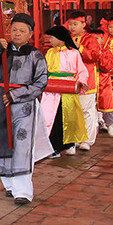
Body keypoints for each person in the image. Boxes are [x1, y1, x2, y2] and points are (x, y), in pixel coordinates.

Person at [0, 13, 51, 204]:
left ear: (30, 34)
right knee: (0, 140)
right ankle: (9, 185)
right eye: (14, 30)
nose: (17, 33)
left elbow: (41, 82)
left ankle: (23, 191)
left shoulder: (35, 55)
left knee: (21, 145)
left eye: (22, 30)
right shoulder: (2, 52)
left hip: (24, 106)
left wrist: (16, 95)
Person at [41, 26, 89, 157]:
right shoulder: (50, 52)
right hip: (52, 88)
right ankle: (53, 147)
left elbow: (82, 70)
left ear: (60, 38)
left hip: (68, 88)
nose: (50, 40)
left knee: (69, 117)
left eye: (52, 37)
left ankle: (70, 144)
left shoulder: (74, 53)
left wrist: (81, 82)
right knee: (51, 117)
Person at [67, 10, 101, 151]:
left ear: (83, 24)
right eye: (70, 24)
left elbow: (94, 56)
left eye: (75, 24)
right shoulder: (66, 38)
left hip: (87, 78)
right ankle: (72, 140)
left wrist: (80, 47)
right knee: (72, 110)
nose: (72, 27)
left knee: (86, 110)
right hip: (70, 79)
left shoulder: (90, 39)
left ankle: (87, 140)